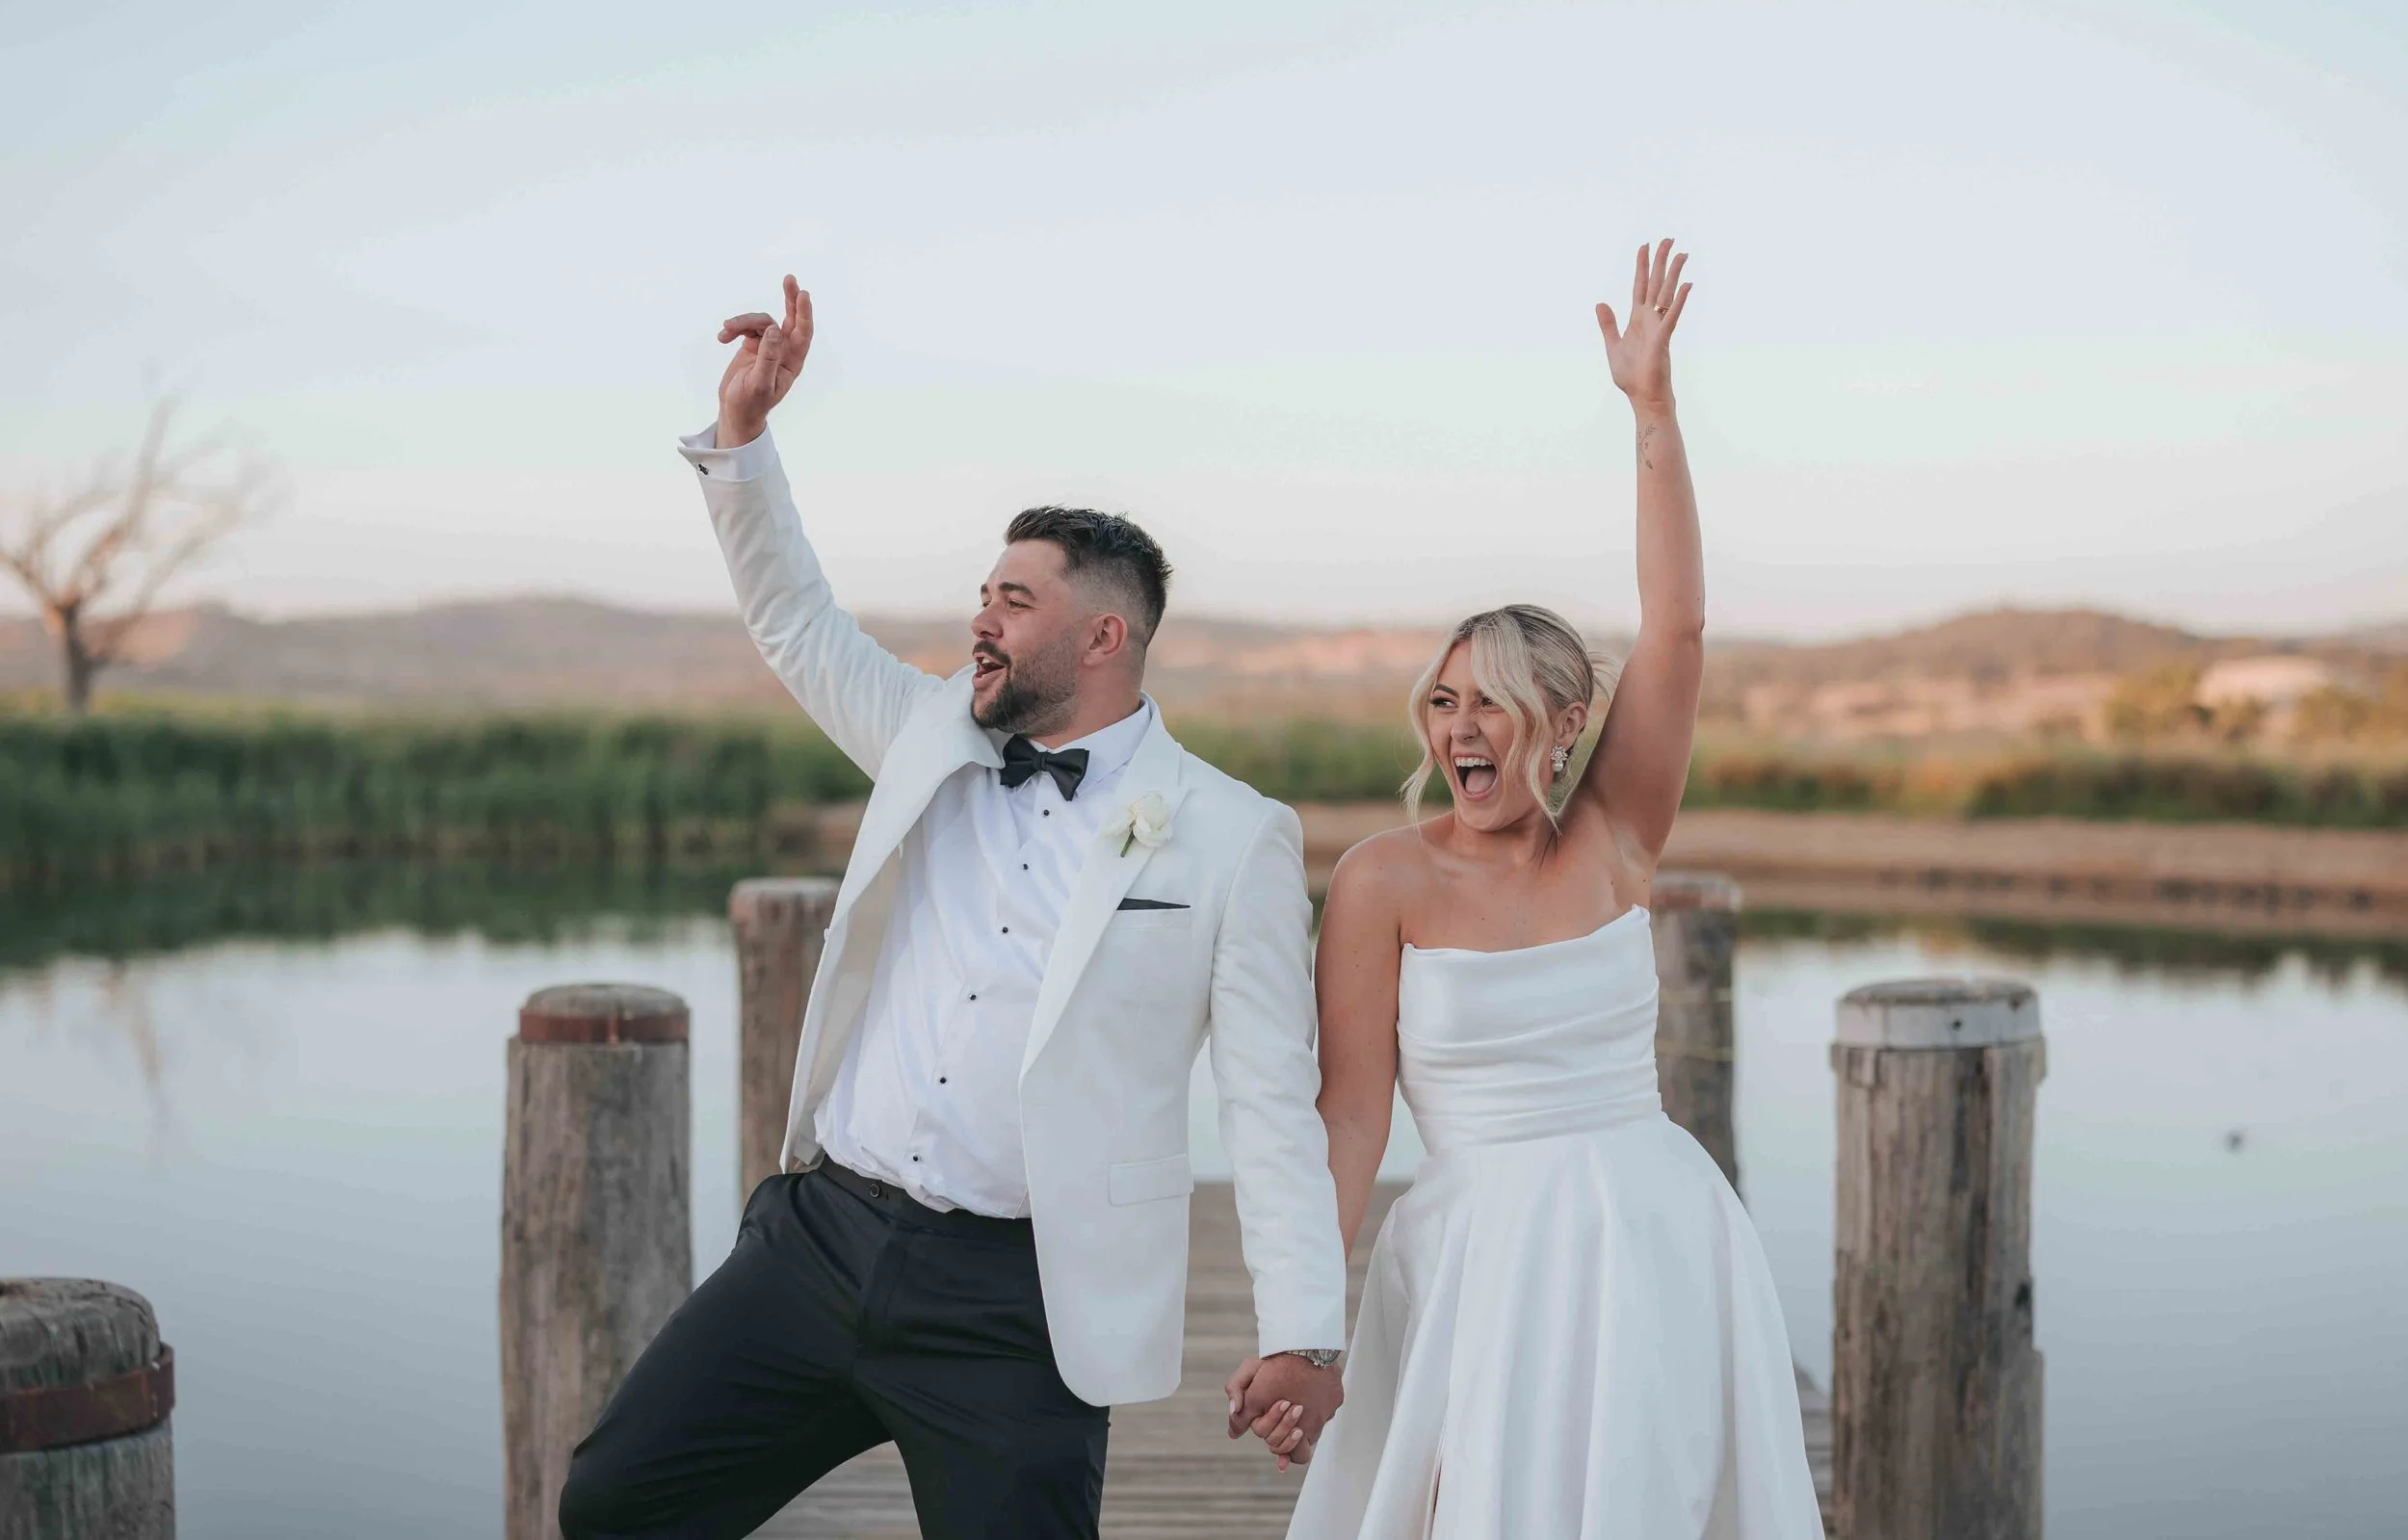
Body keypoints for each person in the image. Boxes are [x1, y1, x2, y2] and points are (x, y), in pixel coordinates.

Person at [557, 277, 1348, 1539]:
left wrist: (1306, 1327)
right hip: (819, 1242)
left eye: (1013, 602)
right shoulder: (929, 734)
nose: (979, 621)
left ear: (1103, 636)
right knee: (615, 1501)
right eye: (984, 593)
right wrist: (747, 439)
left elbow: (1268, 1102)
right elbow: (797, 620)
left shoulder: (1232, 835)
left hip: (1018, 1306)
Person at [1257, 241, 1824, 1535]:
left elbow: (1673, 629)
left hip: (1656, 1246)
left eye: (1494, 704)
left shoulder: (1616, 839)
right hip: (1479, 1262)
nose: (1463, 727)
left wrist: (1654, 416)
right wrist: (1305, 1327)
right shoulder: (1380, 881)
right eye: (1443, 701)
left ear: (1562, 725)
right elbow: (1351, 1119)